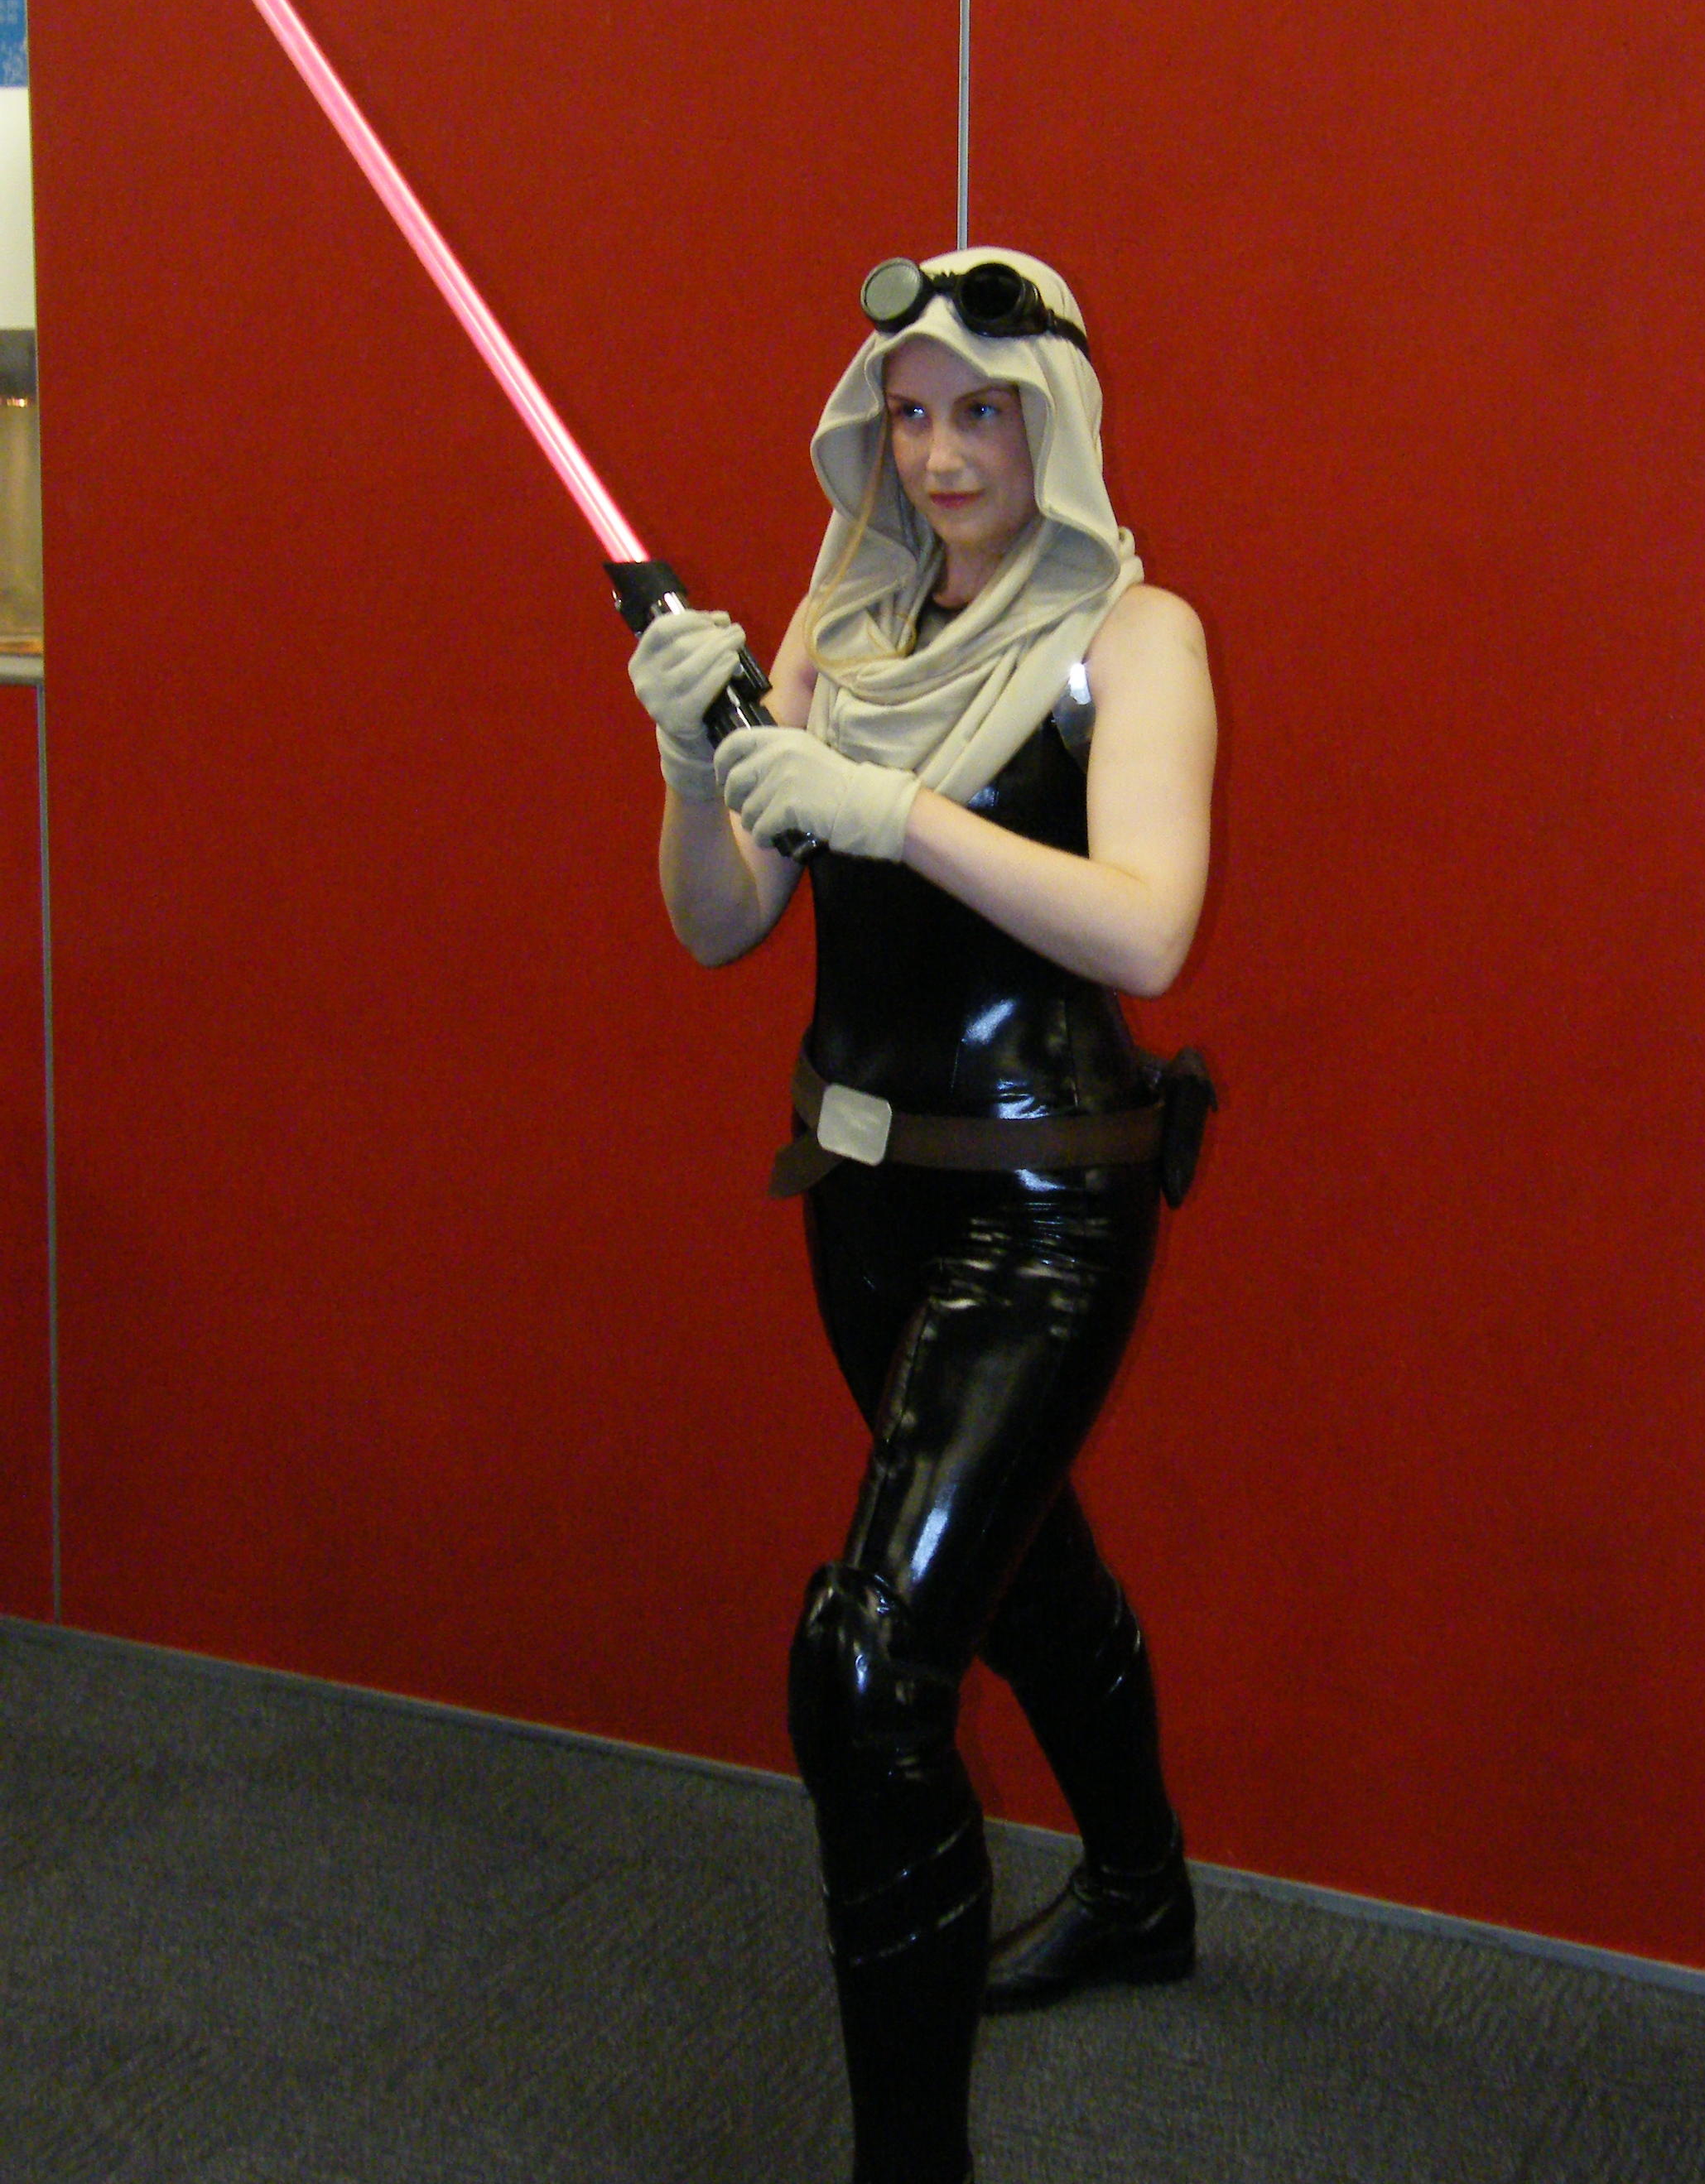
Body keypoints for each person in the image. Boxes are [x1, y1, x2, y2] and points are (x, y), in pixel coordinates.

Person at [629, 249, 1216, 2184]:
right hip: (858, 1198)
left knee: (873, 1660)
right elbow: (723, 922)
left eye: (984, 413)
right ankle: (1139, 1892)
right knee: (1017, 1567)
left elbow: (1145, 926)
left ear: (1057, 423)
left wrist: (893, 813)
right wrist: (694, 759)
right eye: (910, 415)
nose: (945, 455)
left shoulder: (1132, 639)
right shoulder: (839, 633)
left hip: (1045, 1208)